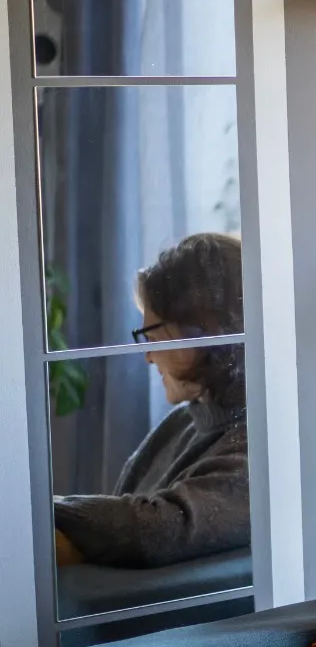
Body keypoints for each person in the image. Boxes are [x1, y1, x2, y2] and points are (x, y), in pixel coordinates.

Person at [54, 232, 250, 569]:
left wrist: (39, 508)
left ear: (205, 330)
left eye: (153, 336)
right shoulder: (182, 422)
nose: (147, 357)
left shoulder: (257, 445)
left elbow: (156, 529)